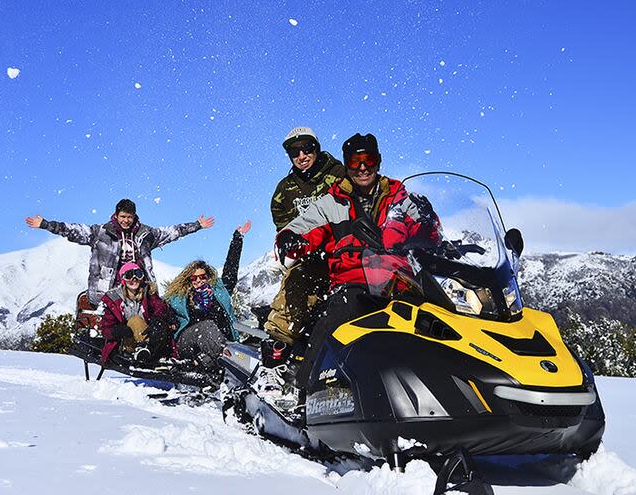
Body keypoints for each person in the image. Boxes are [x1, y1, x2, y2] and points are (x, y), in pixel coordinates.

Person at [266, 133, 441, 406]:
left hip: (400, 282)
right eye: (355, 161)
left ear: (378, 161)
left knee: (438, 319)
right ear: (346, 164)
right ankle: (304, 391)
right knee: (337, 314)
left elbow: (427, 230)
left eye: (368, 159)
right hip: (354, 282)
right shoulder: (333, 202)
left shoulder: (399, 196)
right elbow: (305, 227)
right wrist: (291, 237)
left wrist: (429, 224)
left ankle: (446, 389)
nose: (362, 167)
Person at [25, 198, 214, 306]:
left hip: (140, 284)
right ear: (116, 215)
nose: (126, 221)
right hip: (111, 285)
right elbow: (73, 230)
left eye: (129, 217)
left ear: (134, 217)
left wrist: (196, 225)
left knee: (156, 311)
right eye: (122, 217)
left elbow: (172, 232)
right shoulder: (101, 233)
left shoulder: (146, 234)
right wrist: (46, 224)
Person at [263, 127, 346, 355]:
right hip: (309, 258)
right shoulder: (284, 190)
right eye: (295, 152)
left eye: (307, 149)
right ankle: (280, 349)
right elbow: (284, 227)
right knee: (296, 283)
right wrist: (294, 246)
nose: (302, 156)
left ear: (316, 149)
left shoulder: (340, 174)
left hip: (346, 253)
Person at [165, 221, 251, 373]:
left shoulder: (218, 291)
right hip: (188, 342)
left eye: (202, 277)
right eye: (194, 278)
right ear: (188, 280)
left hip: (217, 344)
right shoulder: (179, 298)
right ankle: (239, 365)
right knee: (206, 327)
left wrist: (237, 239)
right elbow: (163, 313)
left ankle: (207, 364)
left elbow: (231, 268)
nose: (198, 280)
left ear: (208, 277)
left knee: (211, 357)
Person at [98, 262, 175, 366]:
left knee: (159, 325)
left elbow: (161, 308)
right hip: (127, 343)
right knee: (135, 320)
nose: (134, 279)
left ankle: (149, 351)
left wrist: (157, 320)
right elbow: (105, 329)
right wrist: (117, 331)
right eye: (129, 275)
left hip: (150, 340)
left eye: (138, 274)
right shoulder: (115, 300)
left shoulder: (149, 294)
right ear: (123, 280)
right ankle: (143, 352)